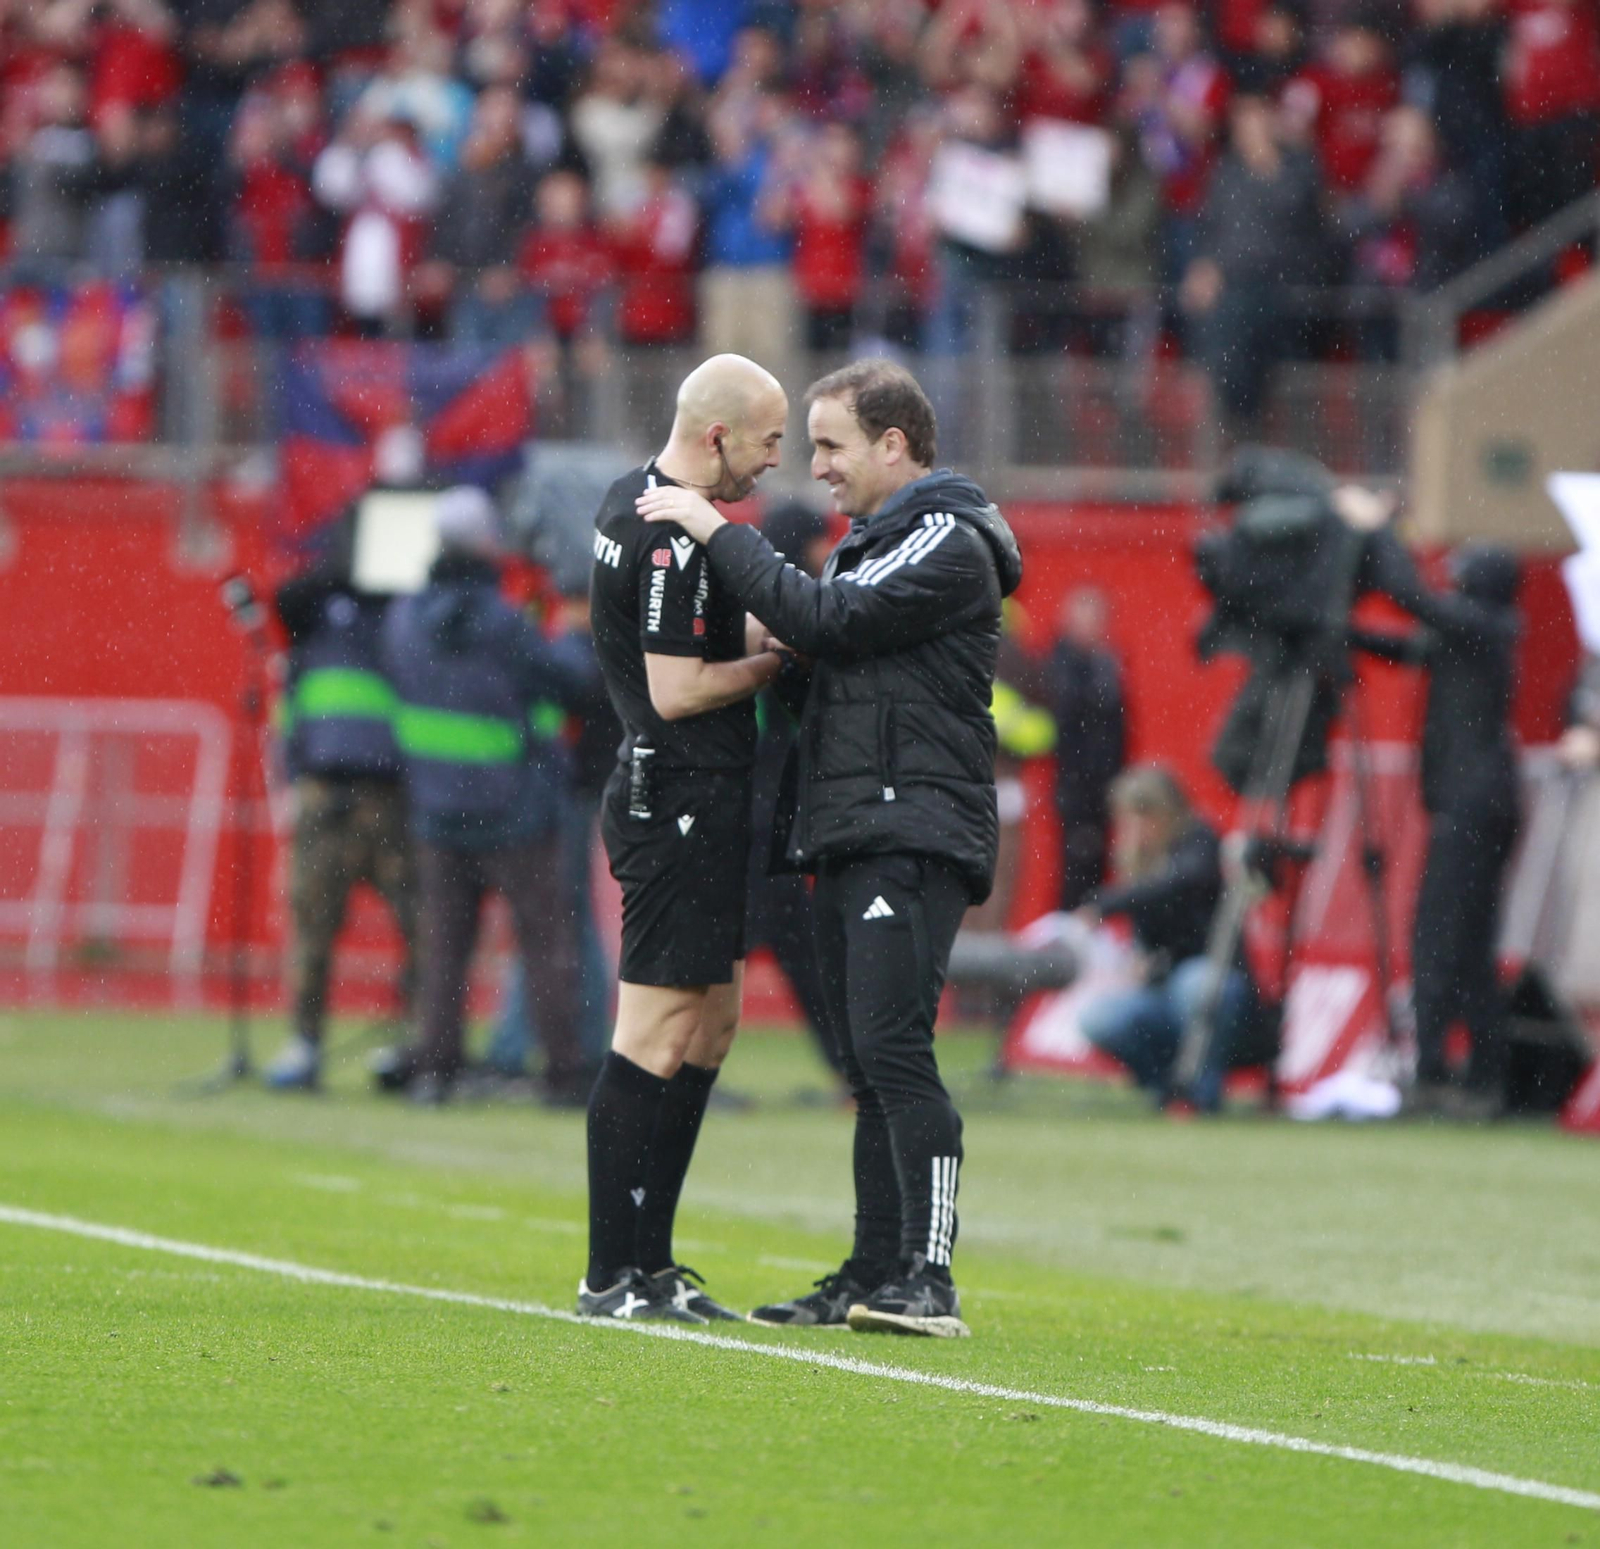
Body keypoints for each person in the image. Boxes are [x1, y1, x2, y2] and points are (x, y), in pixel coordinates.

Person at [639, 357, 1023, 1339]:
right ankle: (870, 1272)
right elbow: (829, 664)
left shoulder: (944, 534)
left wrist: (716, 531)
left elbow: (830, 619)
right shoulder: (870, 544)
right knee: (867, 1060)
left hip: (913, 826)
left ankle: (928, 1279)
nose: (817, 469)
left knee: (895, 1051)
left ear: (895, 444)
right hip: (856, 821)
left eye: (831, 446)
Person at [580, 353, 791, 1325]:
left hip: (704, 795)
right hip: (676, 796)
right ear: (717, 436)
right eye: (768, 440)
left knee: (709, 1026)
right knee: (653, 1031)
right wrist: (774, 666)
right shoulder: (669, 536)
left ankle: (654, 1262)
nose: (776, 460)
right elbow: (674, 690)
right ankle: (610, 1273)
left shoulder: (639, 498)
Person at [376, 486, 595, 1105]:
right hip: (515, 809)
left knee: (444, 951)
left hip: (435, 810)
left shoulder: (402, 619)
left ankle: (435, 1072)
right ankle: (565, 1077)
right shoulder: (503, 624)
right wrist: (577, 633)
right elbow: (573, 683)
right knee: (546, 944)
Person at [1352, 533, 1523, 1118]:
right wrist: (1341, 633)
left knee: (1439, 936)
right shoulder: (1476, 635)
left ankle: (1433, 1073)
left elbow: (1412, 600)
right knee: (1468, 946)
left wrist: (1374, 533)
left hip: (1471, 808)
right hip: (1473, 805)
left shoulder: (1484, 627)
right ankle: (1480, 1079)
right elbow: (1408, 644)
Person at [263, 543, 417, 1092]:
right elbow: (287, 597)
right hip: (325, 794)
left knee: (420, 926)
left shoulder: (402, 616)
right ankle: (304, 1044)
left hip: (389, 794)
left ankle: (411, 1045)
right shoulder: (315, 615)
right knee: (311, 927)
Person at [1076, 764, 1269, 1111]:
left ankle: (1200, 1092)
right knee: (1098, 1017)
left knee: (1197, 983)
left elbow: (1181, 884)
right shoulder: (1138, 865)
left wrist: (1105, 903)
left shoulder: (1199, 843)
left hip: (1220, 989)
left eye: (1146, 815)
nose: (1137, 829)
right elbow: (1148, 940)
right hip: (1164, 992)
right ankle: (1167, 1087)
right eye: (1129, 818)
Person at [1044, 585, 1128, 910]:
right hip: (1077, 787)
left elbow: (1117, 730)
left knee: (1096, 866)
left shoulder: (1106, 665)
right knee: (1076, 866)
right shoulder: (1062, 666)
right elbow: (1069, 730)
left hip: (1105, 785)